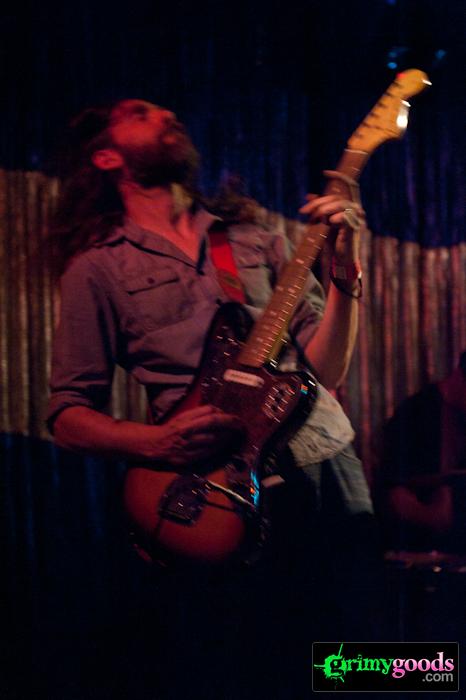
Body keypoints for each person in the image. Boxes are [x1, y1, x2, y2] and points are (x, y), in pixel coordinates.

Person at [47, 99, 380, 699]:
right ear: (106, 157)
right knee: (246, 667)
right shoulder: (96, 270)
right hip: (214, 492)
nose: (166, 113)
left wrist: (346, 270)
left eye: (165, 109)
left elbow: (327, 368)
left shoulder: (256, 240)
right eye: (140, 113)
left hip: (326, 464)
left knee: (354, 659)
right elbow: (67, 415)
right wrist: (154, 441)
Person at [380, 352, 466, 553]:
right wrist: (430, 516)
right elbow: (394, 490)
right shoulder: (415, 414)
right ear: (459, 377)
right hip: (419, 546)